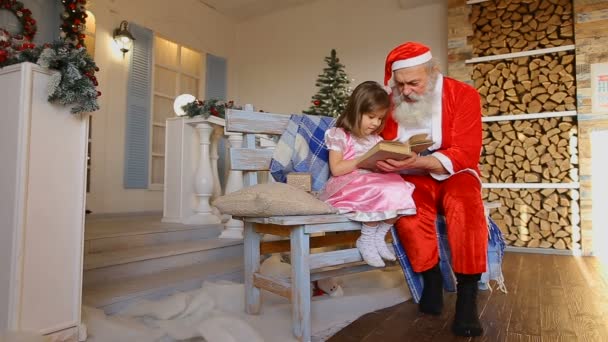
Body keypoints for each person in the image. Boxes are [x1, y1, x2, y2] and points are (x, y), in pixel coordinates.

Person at [378, 42, 488, 337]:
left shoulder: (463, 95)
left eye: (414, 83)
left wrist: (425, 161)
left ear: (434, 72)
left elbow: (467, 151)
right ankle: (432, 278)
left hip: (454, 170)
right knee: (408, 208)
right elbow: (373, 139)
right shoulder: (389, 101)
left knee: (465, 203)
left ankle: (467, 295)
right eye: (400, 85)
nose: (407, 91)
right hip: (410, 173)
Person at [318, 81, 417, 268]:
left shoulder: (376, 139)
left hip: (371, 178)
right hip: (347, 183)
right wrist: (361, 160)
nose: (376, 123)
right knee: (375, 188)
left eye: (380, 119)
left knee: (399, 186)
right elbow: (336, 169)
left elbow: (377, 166)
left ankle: (379, 236)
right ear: (357, 111)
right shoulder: (339, 134)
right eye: (371, 117)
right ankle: (367, 238)